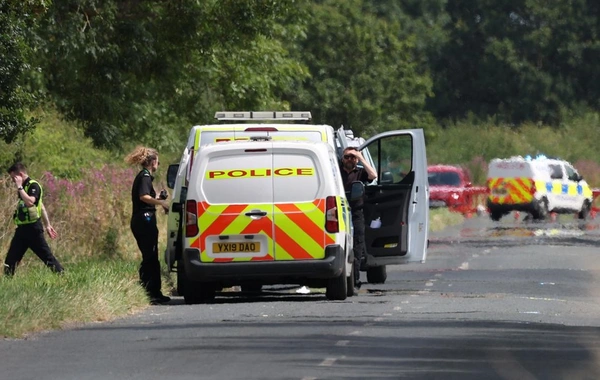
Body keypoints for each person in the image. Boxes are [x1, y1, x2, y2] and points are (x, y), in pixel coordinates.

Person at [125, 146, 171, 305]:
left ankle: (150, 290)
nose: (158, 164)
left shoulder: (144, 177)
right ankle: (152, 292)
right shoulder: (145, 176)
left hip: (142, 219)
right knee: (151, 256)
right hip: (144, 220)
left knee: (150, 256)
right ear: (152, 162)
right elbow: (143, 197)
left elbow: (146, 196)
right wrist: (162, 203)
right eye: (158, 161)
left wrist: (158, 196)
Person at [4, 162, 64, 276]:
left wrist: (19, 187)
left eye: (13, 178)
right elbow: (41, 206)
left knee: (47, 257)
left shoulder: (33, 185)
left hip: (33, 229)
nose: (12, 181)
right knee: (11, 259)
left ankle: (62, 276)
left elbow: (31, 202)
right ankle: (5, 284)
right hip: (22, 229)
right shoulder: (23, 187)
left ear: (20, 175)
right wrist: (48, 225)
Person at [339, 147, 377, 289]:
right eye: (347, 156)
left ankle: (354, 280)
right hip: (339, 210)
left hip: (356, 212)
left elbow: (373, 176)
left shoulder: (360, 172)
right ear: (342, 158)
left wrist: (361, 158)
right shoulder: (336, 171)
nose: (350, 159)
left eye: (352, 157)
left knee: (357, 246)